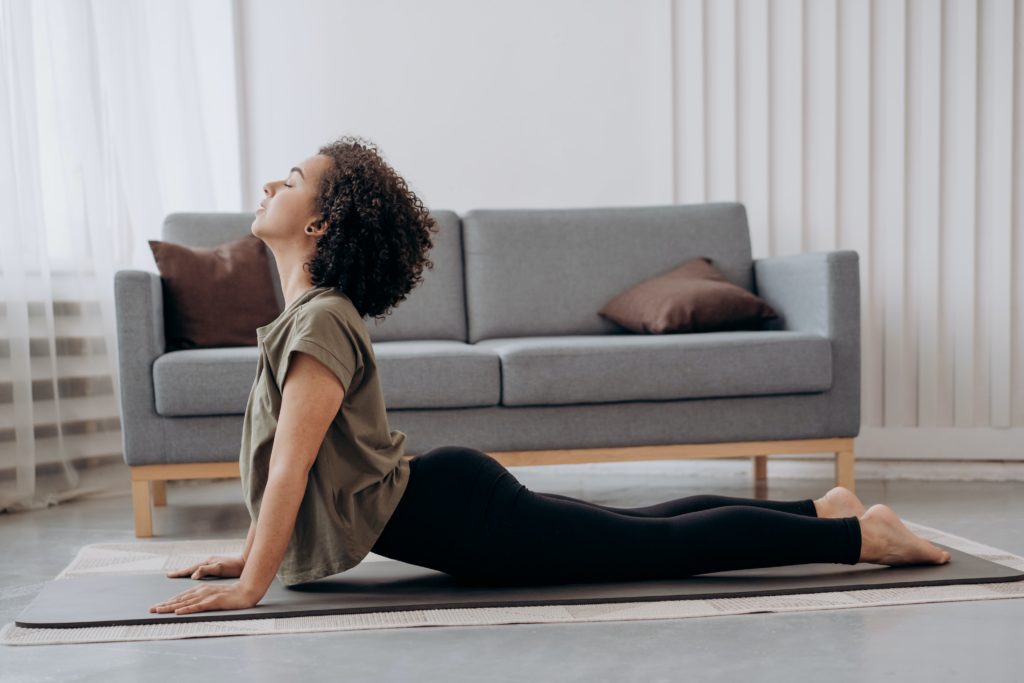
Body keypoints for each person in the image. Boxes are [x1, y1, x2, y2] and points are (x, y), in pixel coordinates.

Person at [149, 136, 950, 616]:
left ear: (319, 222)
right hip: (454, 500)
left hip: (467, 516)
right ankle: (825, 506)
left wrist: (253, 582)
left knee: (659, 546)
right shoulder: (306, 317)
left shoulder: (321, 319)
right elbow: (290, 468)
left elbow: (291, 465)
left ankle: (855, 535)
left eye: (289, 180)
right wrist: (251, 549)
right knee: (650, 526)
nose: (269, 186)